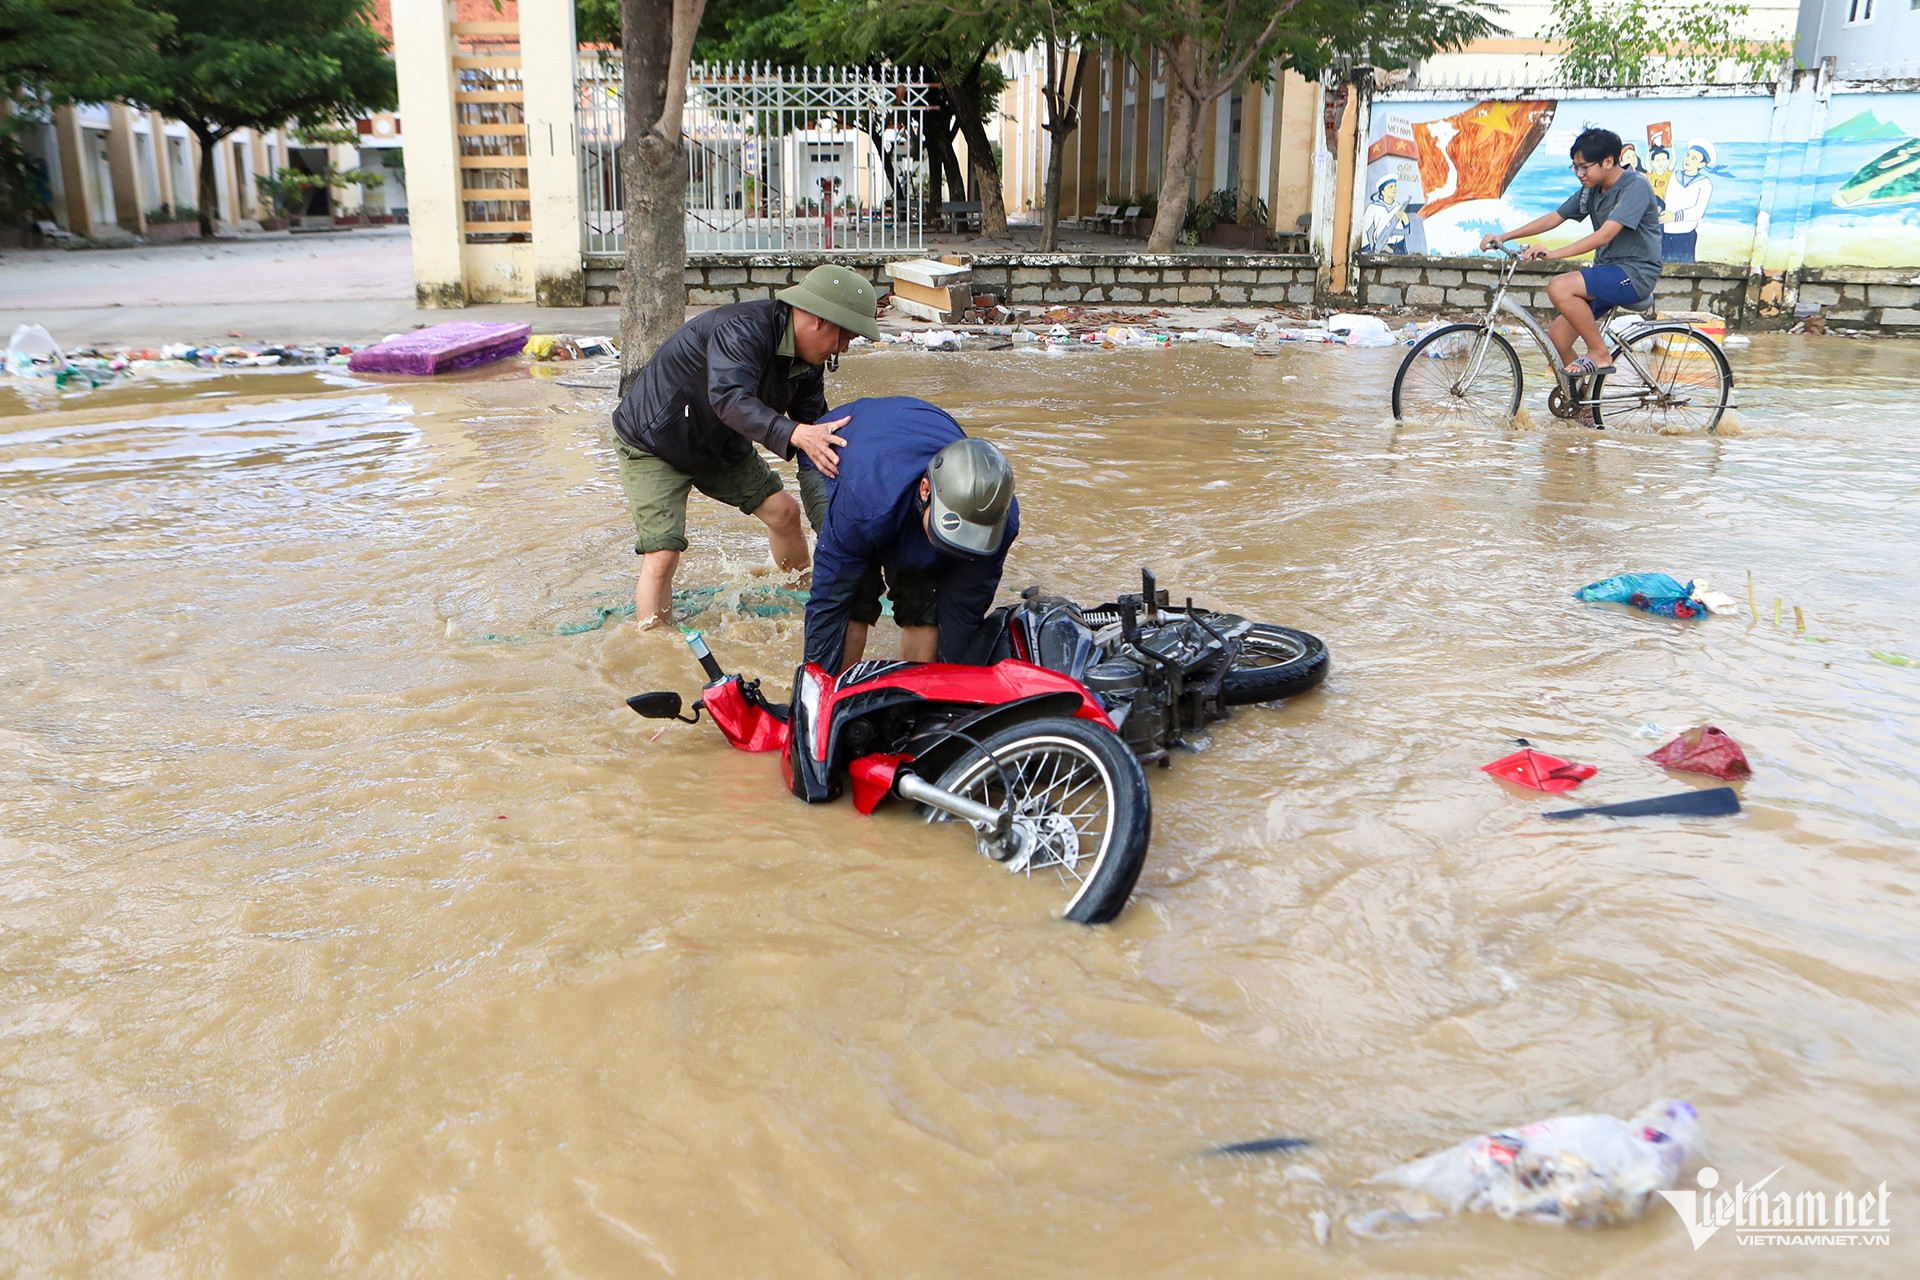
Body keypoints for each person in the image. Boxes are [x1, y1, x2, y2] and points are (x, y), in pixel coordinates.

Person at [611, 265, 881, 626]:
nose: (843, 349)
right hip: (654, 443)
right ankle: (657, 644)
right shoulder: (741, 329)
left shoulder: (808, 364)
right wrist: (796, 433)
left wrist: (837, 540)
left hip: (719, 443)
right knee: (663, 554)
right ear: (820, 320)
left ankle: (799, 599)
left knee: (785, 513)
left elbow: (818, 450)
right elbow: (729, 399)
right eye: (844, 338)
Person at [802, 397, 1018, 675]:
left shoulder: (999, 521)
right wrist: (814, 685)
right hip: (832, 458)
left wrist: (958, 684)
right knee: (857, 590)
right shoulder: (864, 506)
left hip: (901, 453)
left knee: (926, 596)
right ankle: (839, 692)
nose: (956, 550)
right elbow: (829, 602)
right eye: (951, 533)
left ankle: (915, 692)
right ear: (925, 490)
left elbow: (963, 612)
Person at [1478, 126, 1664, 383]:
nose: (1579, 174)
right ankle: (1579, 399)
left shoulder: (1635, 186)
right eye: (1575, 167)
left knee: (1560, 286)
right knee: (1557, 340)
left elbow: (1604, 236)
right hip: (1606, 272)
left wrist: (1553, 254)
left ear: (1608, 161)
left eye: (1584, 167)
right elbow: (1555, 217)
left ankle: (1599, 352)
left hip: (1634, 274)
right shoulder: (1592, 190)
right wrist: (1504, 236)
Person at [1660, 139, 1715, 263]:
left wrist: (1675, 216)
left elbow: (1698, 211)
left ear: (1701, 164)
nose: (1688, 160)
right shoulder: (1674, 176)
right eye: (1688, 155)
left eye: (1693, 159)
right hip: (1665, 231)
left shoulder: (1704, 183)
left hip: (1685, 234)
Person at [1362, 176, 1412, 254]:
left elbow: (1406, 231)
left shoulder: (1398, 207)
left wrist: (1406, 222)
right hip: (1380, 247)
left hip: (1398, 247)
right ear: (1383, 191)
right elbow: (1366, 230)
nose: (1394, 189)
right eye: (1390, 187)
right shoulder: (1373, 207)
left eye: (1395, 186)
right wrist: (1372, 248)